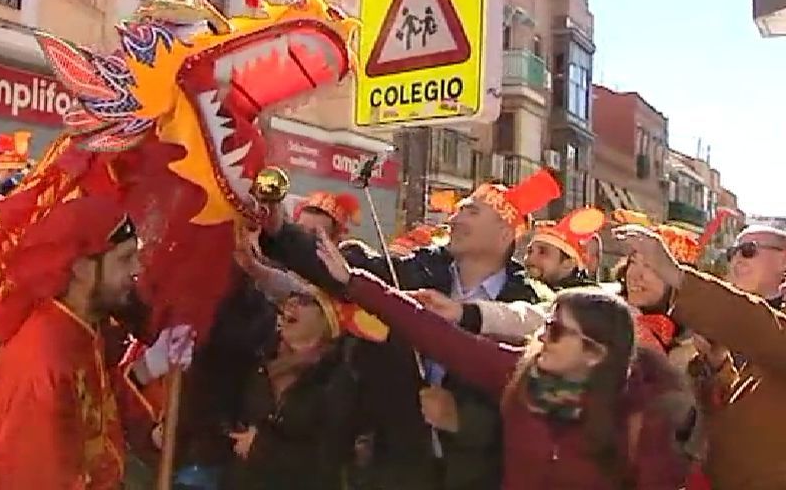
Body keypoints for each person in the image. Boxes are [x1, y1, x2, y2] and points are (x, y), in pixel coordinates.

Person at [315, 230, 688, 489]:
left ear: (595, 353)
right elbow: (437, 336)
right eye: (547, 326)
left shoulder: (641, 417)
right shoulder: (522, 373)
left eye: (556, 332)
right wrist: (354, 282)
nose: (541, 338)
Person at [259, 171, 560, 490]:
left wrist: (463, 419)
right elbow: (342, 273)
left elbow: (534, 407)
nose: (456, 218)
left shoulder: (529, 307)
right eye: (458, 210)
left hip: (477, 475)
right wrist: (279, 230)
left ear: (504, 233)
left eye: (471, 211)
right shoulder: (413, 272)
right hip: (394, 467)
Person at [0, 194, 194, 490]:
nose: (137, 269)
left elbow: (106, 400)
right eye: (125, 258)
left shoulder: (83, 330)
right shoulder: (41, 362)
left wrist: (154, 430)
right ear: (80, 267)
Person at [616, 224, 786, 490]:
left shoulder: (755, 323)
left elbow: (762, 329)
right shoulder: (717, 321)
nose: (737, 259)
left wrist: (677, 275)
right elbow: (747, 407)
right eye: (732, 252)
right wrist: (717, 366)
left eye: (749, 251)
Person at [225, 281, 382, 490]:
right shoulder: (261, 357)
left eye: (306, 300)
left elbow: (329, 459)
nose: (291, 303)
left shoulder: (338, 378)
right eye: (292, 297)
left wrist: (262, 447)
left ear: (328, 319)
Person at [524, 208, 605, 291]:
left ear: (569, 263)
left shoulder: (588, 301)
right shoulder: (519, 288)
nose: (531, 258)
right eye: (530, 251)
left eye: (542, 252)